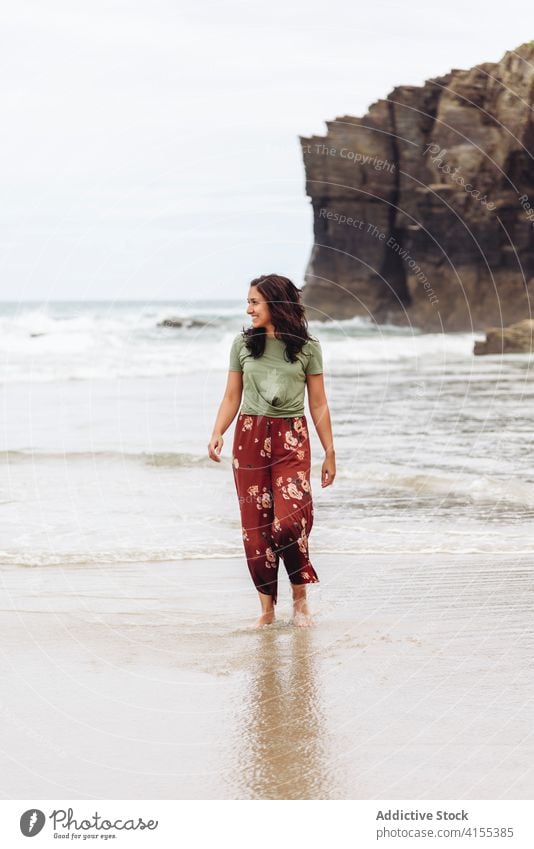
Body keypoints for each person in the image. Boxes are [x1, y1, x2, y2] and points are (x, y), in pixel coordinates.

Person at [208, 274, 336, 628]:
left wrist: (330, 451)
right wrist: (218, 431)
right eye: (248, 302)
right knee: (256, 529)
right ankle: (266, 610)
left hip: (291, 438)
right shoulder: (242, 345)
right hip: (249, 437)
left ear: (276, 304)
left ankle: (299, 599)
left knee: (289, 522)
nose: (248, 308)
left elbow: (319, 404)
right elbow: (231, 395)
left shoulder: (308, 348)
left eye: (254, 302)